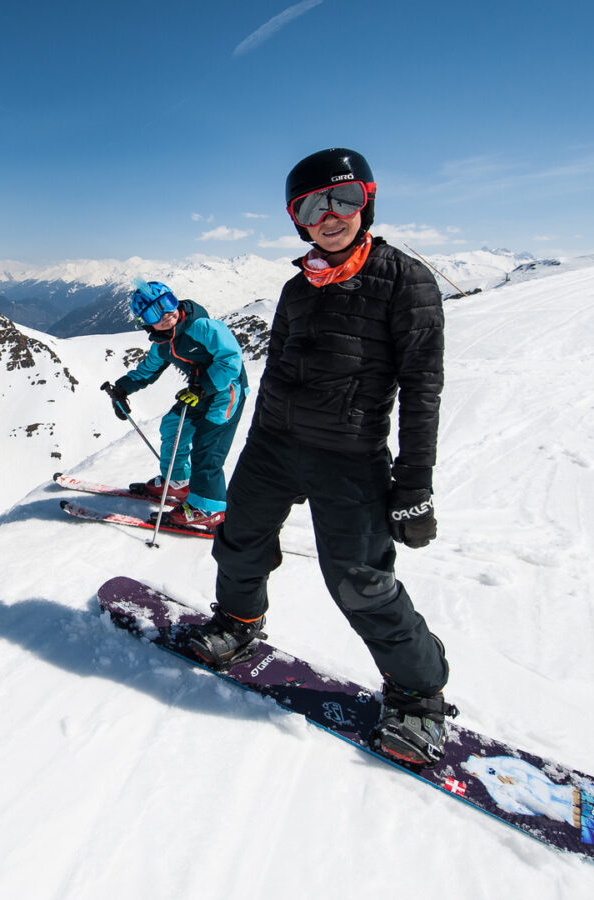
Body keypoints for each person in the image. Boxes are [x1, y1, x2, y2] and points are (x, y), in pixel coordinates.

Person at [187, 148, 457, 767]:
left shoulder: (405, 280)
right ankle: (238, 621)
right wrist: (253, 446)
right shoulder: (295, 287)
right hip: (274, 446)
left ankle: (419, 696)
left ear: (367, 201)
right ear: (297, 219)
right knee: (240, 541)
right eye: (312, 205)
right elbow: (278, 369)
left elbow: (422, 388)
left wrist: (414, 482)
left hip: (350, 455)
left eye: (344, 199)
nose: (330, 215)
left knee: (359, 582)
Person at [100, 280, 248, 529]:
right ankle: (177, 482)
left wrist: (204, 386)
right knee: (172, 426)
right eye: (153, 312)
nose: (166, 314)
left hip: (225, 391)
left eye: (167, 303)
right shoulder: (162, 344)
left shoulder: (202, 327)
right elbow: (148, 370)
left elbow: (230, 359)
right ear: (144, 322)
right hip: (197, 392)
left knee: (207, 447)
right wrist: (123, 388)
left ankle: (208, 508)